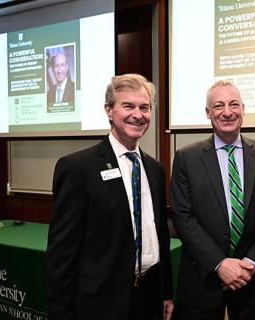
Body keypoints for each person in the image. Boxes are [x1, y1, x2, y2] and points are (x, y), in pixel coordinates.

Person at [46, 74, 174, 320]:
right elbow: (61, 254)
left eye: (144, 107)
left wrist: (165, 292)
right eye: (128, 106)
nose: (138, 114)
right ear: (109, 110)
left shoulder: (155, 169)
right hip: (100, 304)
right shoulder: (78, 168)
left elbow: (161, 237)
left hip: (148, 298)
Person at [170, 80, 255, 320]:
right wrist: (220, 264)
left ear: (243, 108)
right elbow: (183, 216)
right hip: (202, 280)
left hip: (251, 281)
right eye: (218, 106)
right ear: (208, 113)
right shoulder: (186, 158)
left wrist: (251, 262)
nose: (228, 112)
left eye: (234, 104)